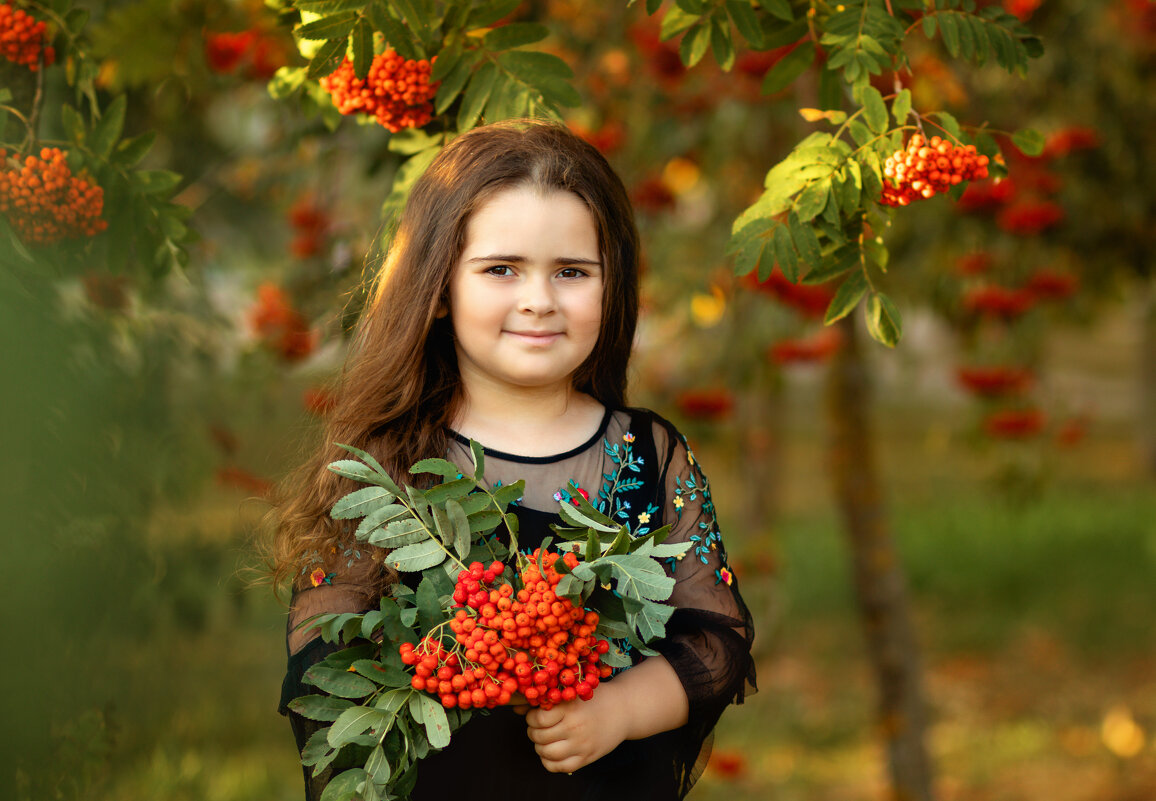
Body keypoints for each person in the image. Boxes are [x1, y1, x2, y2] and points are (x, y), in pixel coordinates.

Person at [269, 119, 756, 801]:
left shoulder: (648, 454)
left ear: (611, 286)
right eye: (502, 269)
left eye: (572, 272)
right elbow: (321, 661)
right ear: (439, 289)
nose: (539, 299)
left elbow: (717, 641)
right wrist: (459, 660)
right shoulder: (390, 464)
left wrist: (615, 710)